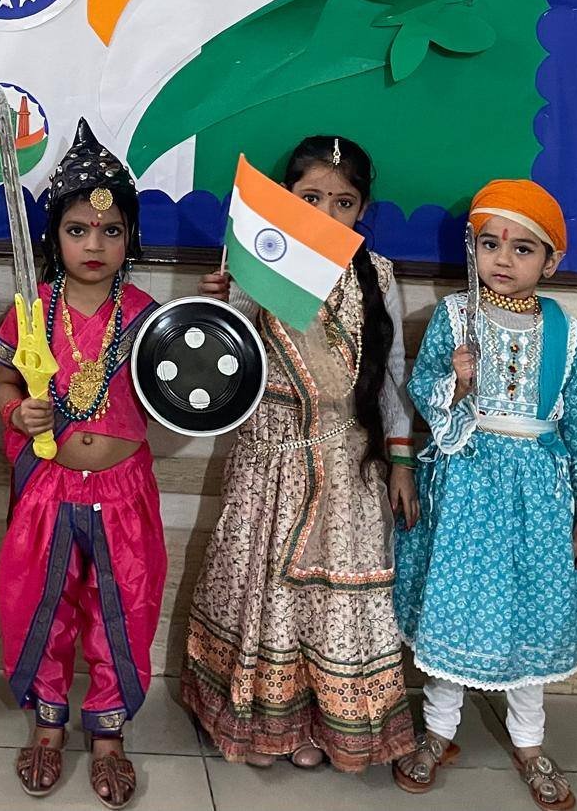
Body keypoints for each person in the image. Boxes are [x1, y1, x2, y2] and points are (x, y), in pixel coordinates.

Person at [180, 136, 417, 771]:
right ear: (285, 198)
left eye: (343, 202)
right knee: (261, 588)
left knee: (329, 600)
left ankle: (316, 726)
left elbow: (391, 374)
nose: (325, 213)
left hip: (346, 466)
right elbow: (227, 359)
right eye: (309, 198)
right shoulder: (260, 261)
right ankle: (261, 724)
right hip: (268, 457)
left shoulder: (376, 275)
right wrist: (221, 300)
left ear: (362, 210)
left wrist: (400, 462)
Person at [392, 179, 577, 810]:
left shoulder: (565, 332)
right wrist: (457, 382)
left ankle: (529, 740)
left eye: (523, 248)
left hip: (540, 500)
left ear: (550, 261)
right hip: (466, 492)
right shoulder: (455, 317)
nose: (503, 259)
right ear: (472, 248)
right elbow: (424, 393)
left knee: (534, 610)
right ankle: (437, 731)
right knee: (458, 607)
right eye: (490, 244)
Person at [0, 119, 164, 810]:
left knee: (123, 608)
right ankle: (48, 723)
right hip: (49, 486)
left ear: (131, 237)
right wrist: (16, 413)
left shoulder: (150, 315)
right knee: (41, 601)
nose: (94, 245)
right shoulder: (31, 309)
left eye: (111, 231)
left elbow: (191, 381)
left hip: (125, 491)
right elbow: (4, 380)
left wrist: (210, 313)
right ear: (54, 237)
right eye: (78, 230)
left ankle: (109, 734)